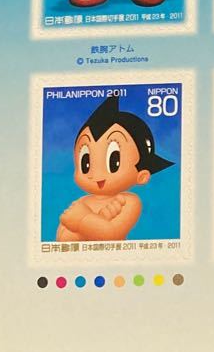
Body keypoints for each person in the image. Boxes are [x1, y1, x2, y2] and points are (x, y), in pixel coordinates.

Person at [55, 95, 173, 242]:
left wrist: (83, 220)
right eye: (86, 163)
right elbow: (63, 239)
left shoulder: (129, 202)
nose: (96, 174)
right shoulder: (82, 202)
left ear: (142, 176)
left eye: (114, 162)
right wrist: (80, 227)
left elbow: (113, 234)